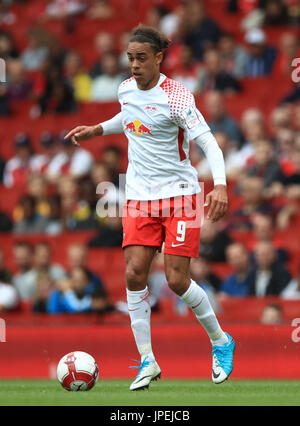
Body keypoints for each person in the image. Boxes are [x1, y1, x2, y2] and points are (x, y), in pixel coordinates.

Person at [65, 24, 235, 390]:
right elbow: (129, 118)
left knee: (175, 279)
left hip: (181, 194)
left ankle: (221, 341)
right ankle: (147, 360)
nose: (134, 65)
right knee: (134, 273)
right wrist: (98, 129)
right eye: (130, 58)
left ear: (159, 58)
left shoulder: (177, 97)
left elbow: (209, 143)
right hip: (139, 195)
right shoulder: (125, 89)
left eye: (141, 58)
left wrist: (219, 185)